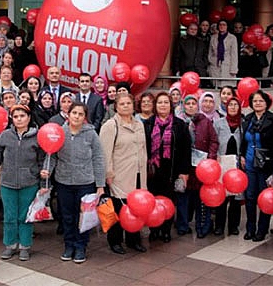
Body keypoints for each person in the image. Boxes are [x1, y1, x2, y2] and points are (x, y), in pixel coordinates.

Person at [0, 104, 46, 261]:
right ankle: (10, 245)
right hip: (8, 182)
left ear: (28, 117)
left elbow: (42, 161)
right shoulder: (5, 135)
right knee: (9, 216)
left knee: (25, 216)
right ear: (11, 119)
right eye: (16, 116)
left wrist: (42, 181)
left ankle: (25, 246)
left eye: (22, 116)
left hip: (29, 182)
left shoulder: (37, 136)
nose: (19, 119)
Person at [51, 102, 105, 263]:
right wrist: (46, 173)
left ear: (84, 117)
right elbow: (52, 155)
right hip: (64, 181)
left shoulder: (91, 134)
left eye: (81, 114)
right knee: (67, 216)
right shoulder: (60, 132)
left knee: (83, 216)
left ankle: (81, 246)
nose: (77, 116)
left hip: (85, 182)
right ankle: (69, 245)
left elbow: (98, 158)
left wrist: (100, 184)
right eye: (74, 113)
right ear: (68, 114)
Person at [100, 93, 148, 254]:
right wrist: (108, 172)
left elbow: (143, 149)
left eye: (129, 103)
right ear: (116, 106)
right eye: (122, 104)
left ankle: (133, 239)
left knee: (136, 208)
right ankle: (115, 241)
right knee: (119, 208)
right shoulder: (110, 125)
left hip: (138, 173)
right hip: (119, 174)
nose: (126, 106)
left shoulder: (138, 124)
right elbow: (105, 153)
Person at [144, 92, 191, 241]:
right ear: (155, 106)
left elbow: (186, 149)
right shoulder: (148, 124)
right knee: (152, 201)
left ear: (171, 106)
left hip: (172, 170)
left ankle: (166, 230)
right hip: (153, 171)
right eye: (159, 103)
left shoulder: (180, 125)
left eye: (166, 102)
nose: (162, 105)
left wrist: (184, 171)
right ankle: (154, 229)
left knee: (168, 201)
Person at [241, 90, 273, 242]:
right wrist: (242, 155)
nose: (257, 103)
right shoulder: (248, 119)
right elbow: (243, 141)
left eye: (260, 101)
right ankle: (250, 228)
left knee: (264, 197)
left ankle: (262, 229)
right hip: (250, 164)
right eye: (255, 101)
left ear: (266, 103)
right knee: (250, 197)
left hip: (266, 164)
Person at [178, 94, 219, 238]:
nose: (191, 106)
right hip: (184, 166)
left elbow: (214, 141)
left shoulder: (205, 122)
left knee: (201, 198)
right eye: (188, 104)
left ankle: (203, 226)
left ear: (198, 106)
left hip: (202, 168)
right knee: (183, 197)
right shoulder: (179, 121)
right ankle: (182, 225)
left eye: (193, 104)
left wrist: (210, 158)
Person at [213, 97, 243, 236]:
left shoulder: (243, 124)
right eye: (230, 104)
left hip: (237, 165)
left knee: (236, 197)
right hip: (222, 162)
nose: (232, 107)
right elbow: (214, 141)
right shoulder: (218, 123)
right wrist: (216, 156)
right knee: (222, 196)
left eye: (235, 105)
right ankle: (219, 225)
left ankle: (233, 226)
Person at [208, 20, 239, 87]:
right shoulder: (213, 37)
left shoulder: (232, 38)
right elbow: (210, 52)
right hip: (215, 65)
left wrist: (234, 68)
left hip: (227, 64)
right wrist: (211, 61)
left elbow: (234, 54)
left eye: (224, 25)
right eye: (220, 25)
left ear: (227, 26)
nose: (222, 26)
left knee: (227, 86)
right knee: (215, 85)